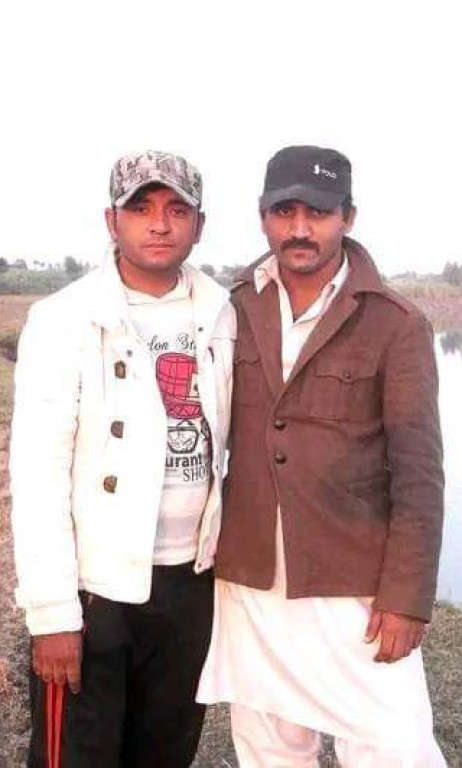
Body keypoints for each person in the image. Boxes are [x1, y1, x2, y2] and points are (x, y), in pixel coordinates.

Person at [198, 145, 446, 767]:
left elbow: (419, 475)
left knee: (394, 749)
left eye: (319, 212)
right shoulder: (231, 308)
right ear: (263, 216)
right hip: (252, 579)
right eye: (285, 212)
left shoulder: (395, 323)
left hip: (351, 584)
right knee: (270, 750)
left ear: (348, 217)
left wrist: (407, 596)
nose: (301, 229)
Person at [10, 150, 235, 768]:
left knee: (164, 751)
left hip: (190, 583)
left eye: (177, 210)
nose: (159, 224)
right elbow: (38, 474)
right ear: (112, 222)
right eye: (141, 208)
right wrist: (52, 613)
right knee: (75, 755)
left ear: (199, 224)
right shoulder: (64, 319)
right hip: (96, 589)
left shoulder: (224, 314)